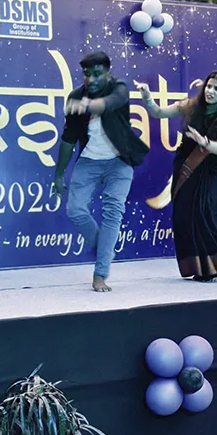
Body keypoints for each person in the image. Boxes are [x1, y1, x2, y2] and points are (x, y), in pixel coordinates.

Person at [51, 51, 149, 292]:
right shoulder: (75, 96)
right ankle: (104, 247)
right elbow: (68, 139)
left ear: (107, 73)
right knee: (75, 210)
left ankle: (100, 273)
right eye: (87, 74)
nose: (91, 79)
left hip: (120, 161)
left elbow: (111, 103)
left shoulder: (119, 88)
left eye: (97, 74)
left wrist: (87, 106)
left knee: (113, 212)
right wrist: (59, 175)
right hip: (89, 161)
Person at [135, 72, 217, 281]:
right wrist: (147, 96)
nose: (210, 91)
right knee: (184, 216)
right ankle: (196, 267)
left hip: (212, 172)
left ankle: (213, 268)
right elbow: (158, 112)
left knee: (206, 215)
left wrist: (204, 142)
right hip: (185, 168)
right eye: (209, 86)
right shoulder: (191, 106)